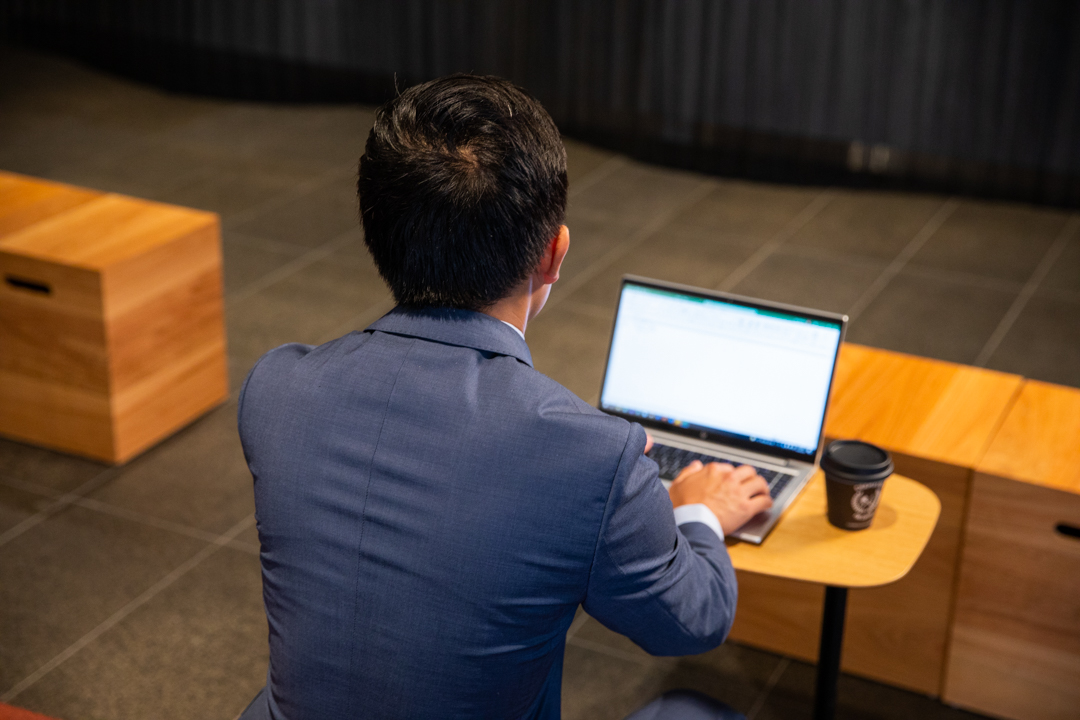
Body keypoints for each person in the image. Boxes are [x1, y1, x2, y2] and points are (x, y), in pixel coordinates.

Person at [237, 74, 773, 720]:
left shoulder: (276, 388)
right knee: (692, 711)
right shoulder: (594, 457)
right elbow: (693, 621)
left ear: (374, 228)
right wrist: (696, 512)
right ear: (554, 254)